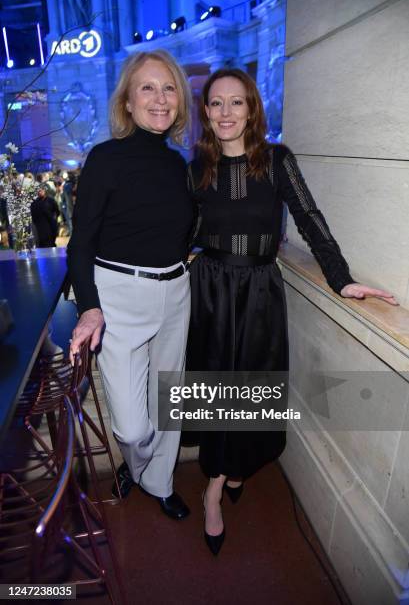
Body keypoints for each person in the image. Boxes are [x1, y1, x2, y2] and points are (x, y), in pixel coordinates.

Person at [186, 68, 398, 555]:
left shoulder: (276, 160)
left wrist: (342, 278)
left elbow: (309, 217)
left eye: (235, 102)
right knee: (218, 385)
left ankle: (237, 464)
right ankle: (214, 488)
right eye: (215, 103)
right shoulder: (195, 166)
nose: (225, 113)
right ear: (205, 112)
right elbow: (181, 229)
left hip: (261, 288)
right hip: (211, 291)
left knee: (255, 384)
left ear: (251, 108)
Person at [67, 50, 194, 520]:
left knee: (169, 401)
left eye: (169, 88)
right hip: (119, 296)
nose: (159, 99)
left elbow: (180, 230)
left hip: (176, 292)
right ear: (127, 101)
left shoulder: (179, 164)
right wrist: (90, 306)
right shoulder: (105, 159)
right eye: (147, 88)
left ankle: (158, 483)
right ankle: (139, 467)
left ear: (179, 100)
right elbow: (80, 242)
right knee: (133, 424)